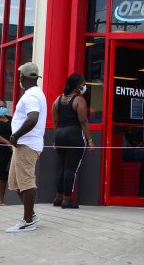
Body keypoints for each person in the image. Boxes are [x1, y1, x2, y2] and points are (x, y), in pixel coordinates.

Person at [5, 62, 47, 233]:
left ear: (23, 77)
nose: (19, 78)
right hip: (24, 144)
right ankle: (32, 215)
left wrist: (16, 135)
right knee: (15, 182)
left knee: (26, 182)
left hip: (26, 144)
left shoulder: (31, 96)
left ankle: (28, 221)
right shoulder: (35, 93)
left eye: (20, 75)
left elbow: (32, 118)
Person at [51, 73, 94, 209]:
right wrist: (90, 140)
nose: (84, 86)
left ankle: (58, 198)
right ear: (77, 86)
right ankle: (67, 200)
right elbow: (83, 121)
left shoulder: (57, 100)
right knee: (71, 169)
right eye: (83, 84)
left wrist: (55, 140)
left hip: (60, 135)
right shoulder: (79, 100)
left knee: (63, 167)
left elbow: (56, 122)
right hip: (74, 136)